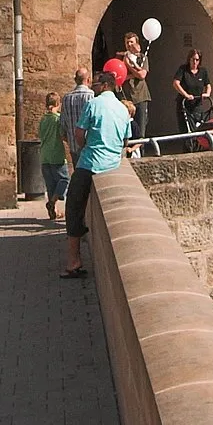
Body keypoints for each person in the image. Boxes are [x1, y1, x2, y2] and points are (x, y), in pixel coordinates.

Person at [62, 71, 132, 278]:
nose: (93, 86)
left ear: (104, 85)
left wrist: (86, 147)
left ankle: (73, 261)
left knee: (73, 206)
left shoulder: (93, 104)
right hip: (113, 164)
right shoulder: (122, 109)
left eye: (96, 83)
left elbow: (78, 133)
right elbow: (126, 141)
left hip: (91, 162)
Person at [36, 91, 68, 222]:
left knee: (50, 185)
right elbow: (62, 135)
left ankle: (53, 211)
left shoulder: (43, 119)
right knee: (64, 180)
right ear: (58, 104)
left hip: (44, 155)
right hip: (56, 154)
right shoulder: (57, 119)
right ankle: (53, 201)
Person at [58, 67, 94, 172]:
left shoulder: (66, 98)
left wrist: (68, 138)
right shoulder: (91, 96)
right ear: (88, 80)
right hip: (89, 145)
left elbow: (62, 124)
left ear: (75, 80)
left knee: (78, 174)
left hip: (73, 145)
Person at [172, 49, 213, 137]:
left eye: (197, 60)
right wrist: (186, 95)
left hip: (197, 105)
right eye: (192, 59)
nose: (194, 62)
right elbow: (176, 83)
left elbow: (208, 85)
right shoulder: (183, 69)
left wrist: (207, 93)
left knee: (198, 128)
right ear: (189, 59)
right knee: (186, 130)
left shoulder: (203, 71)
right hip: (184, 105)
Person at [119, 32, 151, 140]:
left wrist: (128, 65)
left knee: (140, 129)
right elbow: (119, 77)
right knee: (127, 129)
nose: (129, 45)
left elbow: (142, 75)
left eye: (131, 42)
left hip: (141, 97)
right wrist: (133, 74)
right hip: (127, 98)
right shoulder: (121, 59)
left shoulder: (142, 58)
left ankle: (140, 153)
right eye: (127, 42)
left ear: (136, 43)